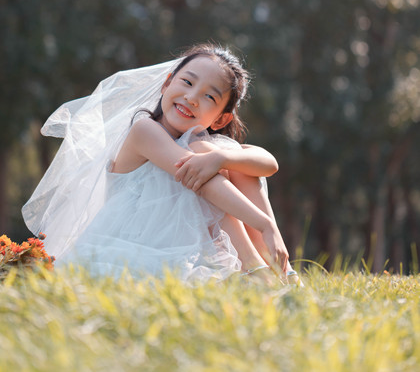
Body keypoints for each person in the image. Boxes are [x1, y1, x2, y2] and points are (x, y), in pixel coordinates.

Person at [23, 43, 298, 284]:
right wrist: (265, 225)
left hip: (185, 242)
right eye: (187, 82)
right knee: (205, 156)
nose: (191, 98)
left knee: (229, 158)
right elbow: (200, 180)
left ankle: (279, 271)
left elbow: (268, 163)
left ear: (221, 119)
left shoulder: (208, 147)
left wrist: (223, 157)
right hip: (137, 244)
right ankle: (254, 267)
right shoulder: (144, 130)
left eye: (209, 96)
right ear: (167, 84)